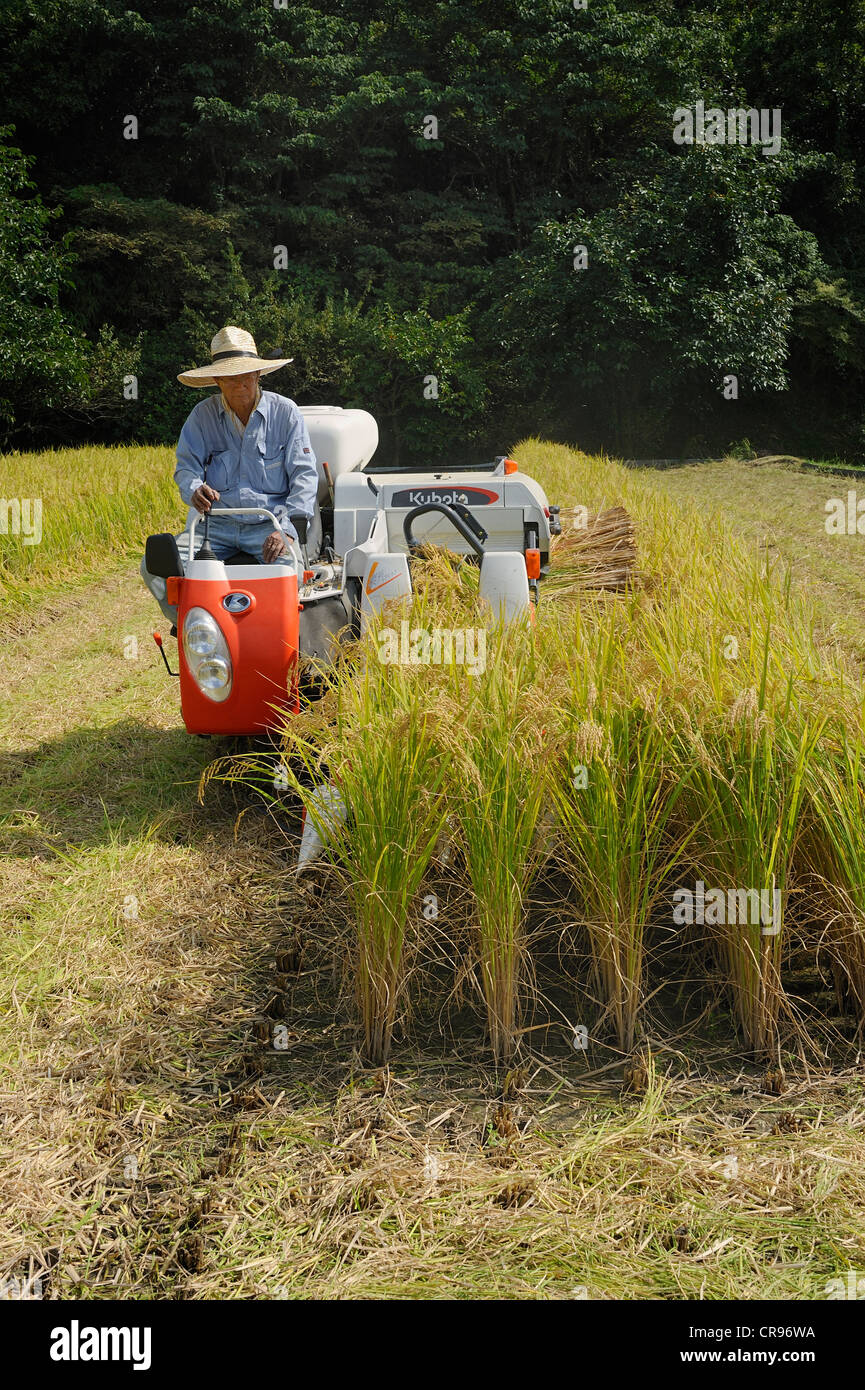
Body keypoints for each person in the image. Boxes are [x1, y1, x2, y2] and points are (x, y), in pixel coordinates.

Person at [140, 325, 319, 626]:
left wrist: (286, 529)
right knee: (153, 568)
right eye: (231, 378)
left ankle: (271, 641)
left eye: (246, 376)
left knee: (291, 575)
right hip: (215, 526)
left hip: (268, 524)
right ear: (217, 380)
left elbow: (304, 475)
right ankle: (194, 628)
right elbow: (186, 468)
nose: (240, 385)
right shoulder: (201, 416)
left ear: (258, 375)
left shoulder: (285, 413)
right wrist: (194, 488)